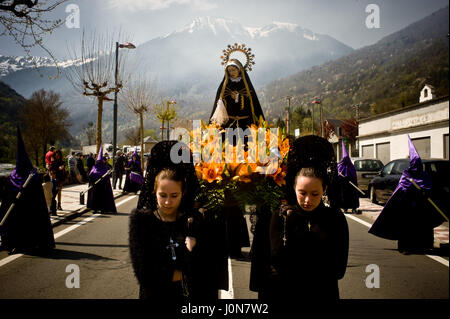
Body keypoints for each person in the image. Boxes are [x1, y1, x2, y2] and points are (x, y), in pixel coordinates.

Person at [263, 135, 349, 302]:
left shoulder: (335, 218)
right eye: (302, 193)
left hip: (324, 294)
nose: (307, 200)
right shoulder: (282, 217)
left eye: (314, 194)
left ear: (324, 189)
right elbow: (276, 263)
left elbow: (338, 269)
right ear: (294, 187)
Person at [130, 140, 204, 303]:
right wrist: (180, 273)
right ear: (154, 191)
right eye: (163, 195)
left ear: (183, 191)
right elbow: (145, 272)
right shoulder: (142, 221)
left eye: (174, 195)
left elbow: (204, 266)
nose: (168, 202)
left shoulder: (194, 220)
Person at [369, 136, 445, 254]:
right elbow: (401, 190)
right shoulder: (406, 176)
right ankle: (405, 247)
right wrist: (409, 190)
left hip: (421, 209)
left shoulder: (424, 175)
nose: (417, 168)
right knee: (406, 228)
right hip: (407, 208)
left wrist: (424, 191)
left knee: (424, 227)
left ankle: (424, 245)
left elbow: (428, 188)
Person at [0, 127, 55, 255]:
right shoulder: (17, 176)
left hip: (28, 209)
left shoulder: (30, 176)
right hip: (21, 209)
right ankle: (15, 242)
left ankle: (26, 242)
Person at [209, 58, 265, 129]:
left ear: (239, 70)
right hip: (228, 124)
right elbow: (220, 103)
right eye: (229, 71)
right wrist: (224, 101)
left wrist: (239, 97)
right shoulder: (224, 85)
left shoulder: (246, 84)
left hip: (245, 124)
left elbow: (253, 103)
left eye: (233, 70)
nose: (231, 73)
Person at [87, 146, 116, 214]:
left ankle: (103, 209)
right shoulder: (94, 168)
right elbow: (91, 175)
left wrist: (104, 178)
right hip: (95, 187)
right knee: (95, 198)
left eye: (100, 162)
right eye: (98, 162)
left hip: (102, 188)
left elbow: (107, 177)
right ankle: (95, 209)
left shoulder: (104, 168)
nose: (98, 163)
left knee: (102, 199)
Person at [337, 140, 360, 214]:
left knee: (352, 196)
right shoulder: (340, 166)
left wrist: (351, 179)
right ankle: (345, 208)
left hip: (351, 185)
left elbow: (354, 176)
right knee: (344, 196)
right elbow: (338, 175)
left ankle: (353, 208)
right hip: (343, 185)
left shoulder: (351, 166)